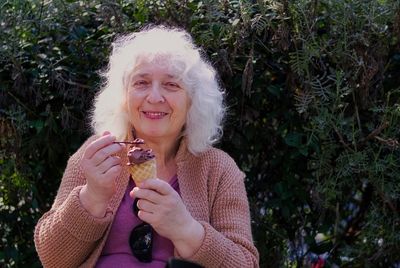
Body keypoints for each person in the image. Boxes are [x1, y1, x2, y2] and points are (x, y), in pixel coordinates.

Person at [34, 25, 259, 268]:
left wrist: (187, 230)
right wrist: (93, 196)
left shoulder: (218, 168)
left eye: (171, 85)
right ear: (123, 96)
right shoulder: (98, 154)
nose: (154, 97)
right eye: (141, 83)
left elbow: (245, 264)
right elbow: (53, 260)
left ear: (193, 101)